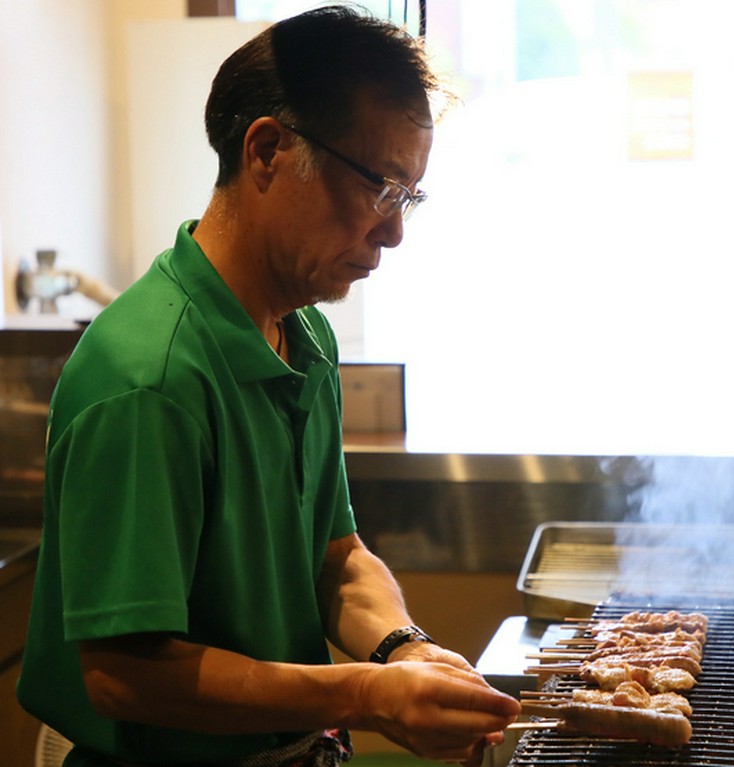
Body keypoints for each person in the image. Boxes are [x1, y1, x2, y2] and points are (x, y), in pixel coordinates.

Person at [16, 6, 521, 766]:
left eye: (408, 197)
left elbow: (335, 556)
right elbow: (123, 674)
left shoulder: (303, 333)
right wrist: (363, 693)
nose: (394, 231)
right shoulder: (150, 378)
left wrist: (403, 649)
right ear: (267, 152)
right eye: (381, 186)